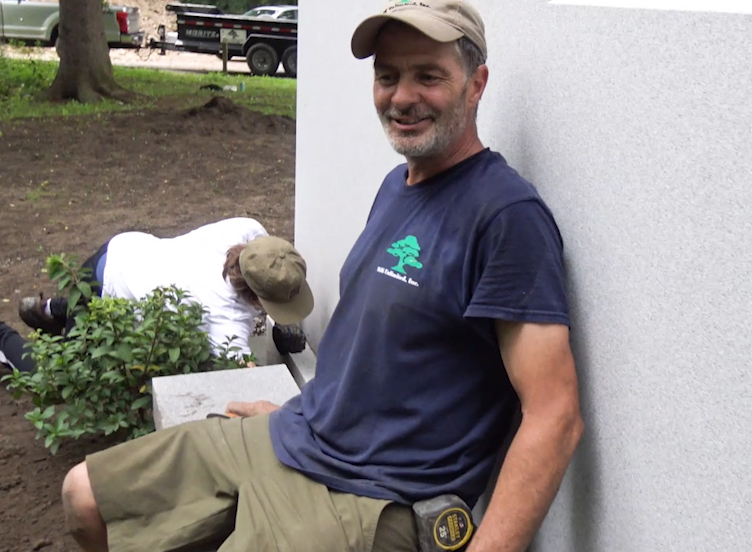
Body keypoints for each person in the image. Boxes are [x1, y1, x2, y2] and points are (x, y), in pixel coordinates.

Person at [60, 2, 584, 552]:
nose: (402, 97)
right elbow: (381, 342)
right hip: (303, 435)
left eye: (428, 76)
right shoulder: (396, 186)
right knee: (85, 495)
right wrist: (309, 408)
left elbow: (555, 416)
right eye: (388, 76)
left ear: (475, 85)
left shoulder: (506, 217)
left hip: (374, 496)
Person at [15, 217, 314, 367]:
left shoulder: (250, 232)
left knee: (82, 311)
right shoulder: (225, 318)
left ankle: (52, 308)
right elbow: (246, 373)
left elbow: (269, 273)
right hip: (108, 283)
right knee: (68, 367)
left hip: (129, 247)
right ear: (255, 298)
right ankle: (8, 342)